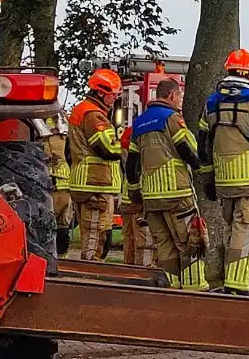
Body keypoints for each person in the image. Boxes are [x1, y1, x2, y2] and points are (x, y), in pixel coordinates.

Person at [196, 48, 249, 294]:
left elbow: (203, 144)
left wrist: (209, 179)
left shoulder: (211, 103)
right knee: (244, 232)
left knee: (230, 229)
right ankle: (236, 285)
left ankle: (228, 280)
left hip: (224, 180)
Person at [127, 78, 210, 290]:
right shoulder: (172, 118)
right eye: (179, 96)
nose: (179, 100)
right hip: (177, 193)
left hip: (152, 198)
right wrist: (203, 170)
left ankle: (172, 288)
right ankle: (194, 289)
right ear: (172, 95)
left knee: (165, 245)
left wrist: (136, 194)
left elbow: (132, 165)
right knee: (190, 243)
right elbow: (187, 149)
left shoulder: (139, 123)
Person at [68, 68, 124, 261]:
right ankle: (89, 276)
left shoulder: (85, 110)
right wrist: (125, 144)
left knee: (99, 235)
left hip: (89, 182)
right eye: (112, 95)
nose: (114, 99)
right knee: (94, 237)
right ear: (100, 92)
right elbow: (108, 148)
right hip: (94, 184)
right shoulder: (92, 115)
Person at [119, 125, 155, 267]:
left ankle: (129, 270)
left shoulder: (130, 133)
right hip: (140, 198)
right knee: (145, 240)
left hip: (127, 198)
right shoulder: (148, 132)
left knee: (130, 239)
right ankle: (143, 272)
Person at [42, 116, 73, 258]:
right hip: (59, 182)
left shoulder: (39, 125)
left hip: (51, 182)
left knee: (54, 223)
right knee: (60, 223)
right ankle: (60, 257)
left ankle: (56, 256)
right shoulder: (64, 126)